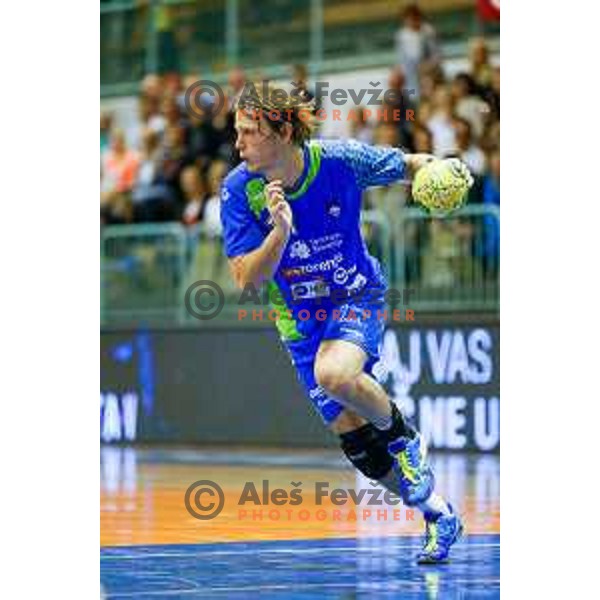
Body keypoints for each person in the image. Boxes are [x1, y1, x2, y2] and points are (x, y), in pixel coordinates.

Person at [220, 88, 469, 564]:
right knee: (361, 450)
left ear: (283, 132)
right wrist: (279, 232)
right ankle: (439, 514)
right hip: (301, 325)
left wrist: (439, 169)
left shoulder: (339, 161)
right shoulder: (238, 190)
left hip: (355, 293)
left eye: (249, 133)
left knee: (333, 375)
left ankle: (406, 437)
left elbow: (408, 163)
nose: (239, 144)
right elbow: (246, 280)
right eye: (237, 133)